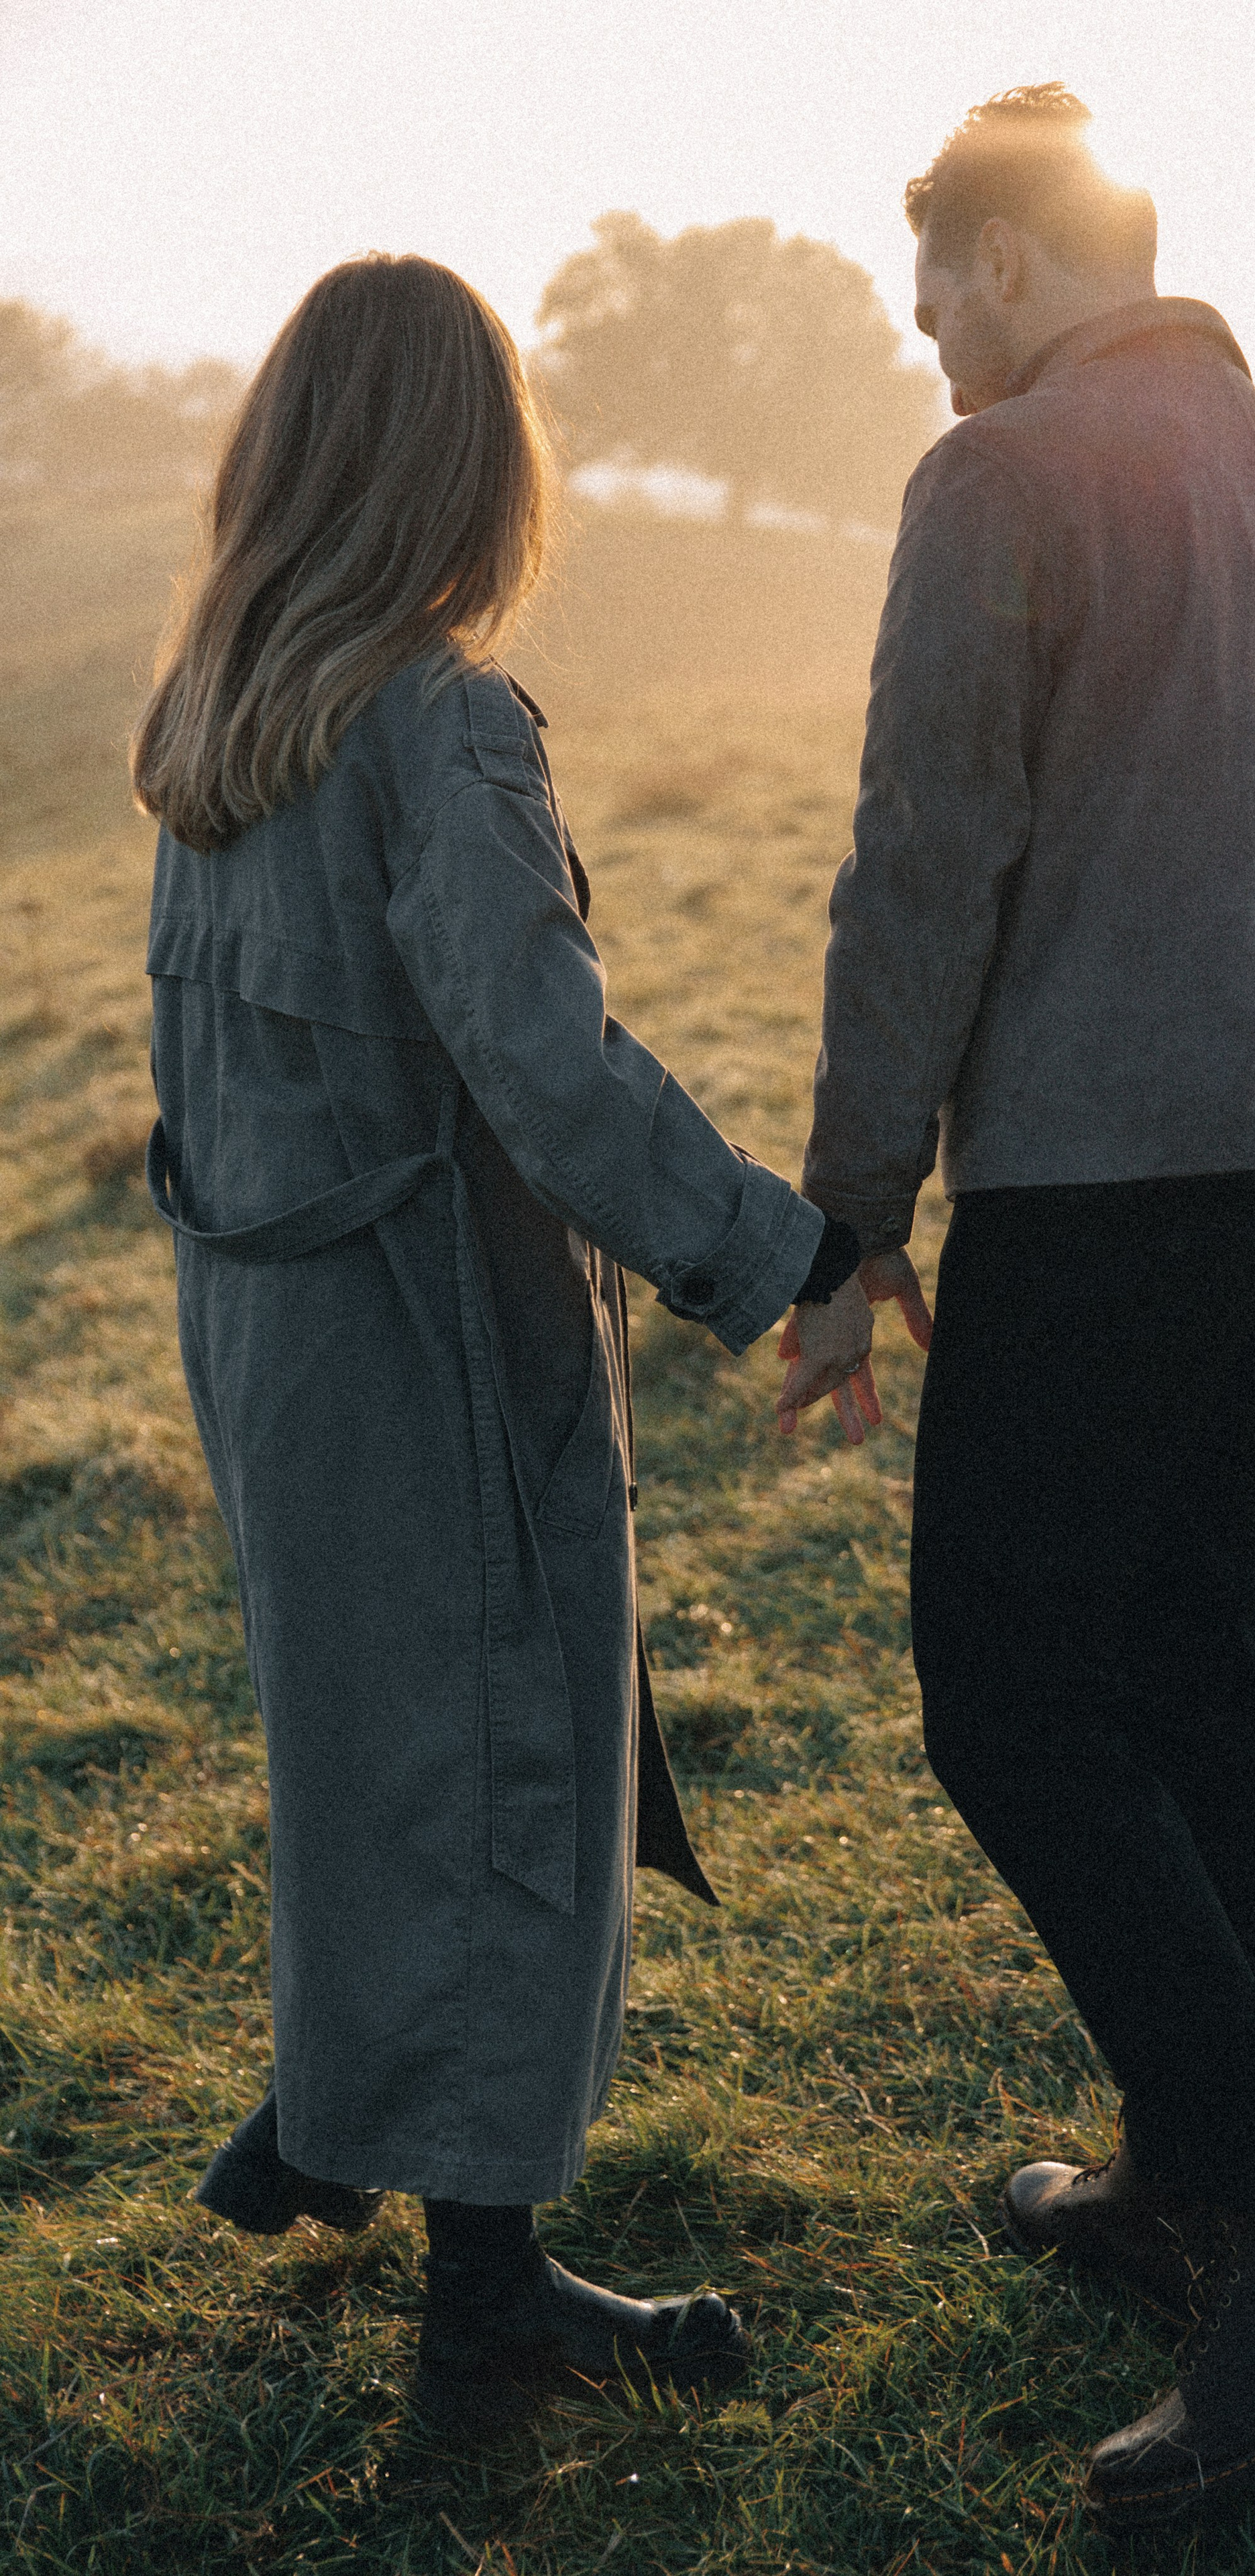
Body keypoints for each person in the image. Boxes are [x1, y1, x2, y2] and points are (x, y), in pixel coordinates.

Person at [777, 85, 1255, 2528]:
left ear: (1022, 259)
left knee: (1011, 1698)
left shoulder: (1005, 481)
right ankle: (1190, 2191)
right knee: (1201, 1688)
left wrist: (854, 1222)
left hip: (1102, 1184)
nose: (925, 330)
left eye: (936, 280)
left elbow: (923, 861)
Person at [133, 252, 874, 2437]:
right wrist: (784, 1255)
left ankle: (329, 2115)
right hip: (428, 1340)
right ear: (468, 468)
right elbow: (549, 1077)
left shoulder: (220, 709)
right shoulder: (434, 716)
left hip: (273, 1349)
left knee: (361, 1754)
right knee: (496, 1782)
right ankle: (489, 2312)